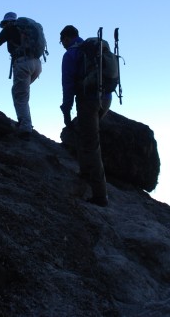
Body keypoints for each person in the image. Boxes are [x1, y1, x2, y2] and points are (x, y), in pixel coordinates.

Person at [59, 24, 112, 207]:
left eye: (62, 42)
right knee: (86, 135)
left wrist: (66, 110)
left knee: (91, 143)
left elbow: (68, 86)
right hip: (106, 99)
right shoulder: (93, 49)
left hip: (89, 100)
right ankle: (84, 171)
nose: (63, 45)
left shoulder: (71, 55)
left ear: (66, 38)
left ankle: (100, 195)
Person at [0, 12, 43, 140]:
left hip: (22, 63)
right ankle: (25, 121)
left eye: (4, 24)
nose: (4, 26)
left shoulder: (9, 28)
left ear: (7, 22)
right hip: (37, 63)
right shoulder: (27, 27)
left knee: (20, 95)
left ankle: (25, 127)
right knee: (21, 93)